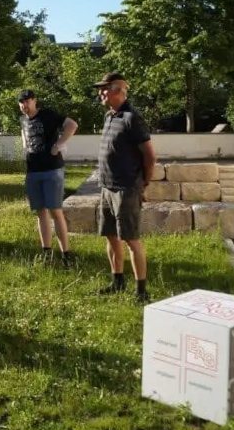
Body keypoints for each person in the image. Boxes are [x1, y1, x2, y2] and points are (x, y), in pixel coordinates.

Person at [94, 72, 156, 302]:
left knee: (131, 239)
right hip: (107, 188)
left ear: (119, 90)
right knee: (110, 236)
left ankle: (142, 291)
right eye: (100, 89)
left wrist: (143, 184)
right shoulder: (111, 116)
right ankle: (117, 281)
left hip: (126, 188)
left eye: (105, 88)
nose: (101, 92)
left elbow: (150, 156)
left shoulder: (132, 118)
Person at [17, 89, 79, 265]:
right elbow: (25, 138)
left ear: (35, 101)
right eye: (21, 103)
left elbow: (72, 125)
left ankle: (66, 254)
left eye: (28, 101)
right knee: (40, 212)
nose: (25, 106)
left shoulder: (48, 114)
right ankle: (47, 253)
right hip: (33, 171)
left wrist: (58, 145)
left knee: (55, 211)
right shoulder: (23, 120)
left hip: (52, 170)